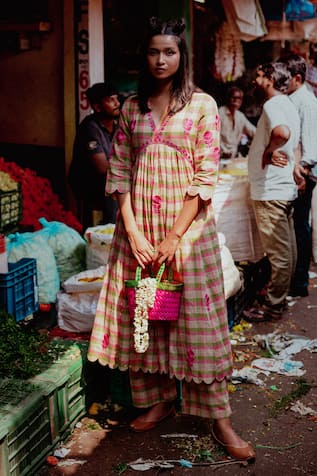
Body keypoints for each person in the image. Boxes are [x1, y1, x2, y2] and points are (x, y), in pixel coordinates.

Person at [88, 17, 255, 462]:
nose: (161, 60)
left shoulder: (202, 105)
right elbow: (120, 171)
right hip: (138, 228)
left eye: (170, 52)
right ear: (144, 57)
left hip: (189, 231)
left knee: (199, 324)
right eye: (153, 52)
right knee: (145, 315)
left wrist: (175, 235)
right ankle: (158, 401)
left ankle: (218, 418)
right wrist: (135, 231)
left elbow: (205, 175)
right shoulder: (130, 106)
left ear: (182, 57)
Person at [243, 62, 300, 323]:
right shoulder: (288, 103)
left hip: (270, 190)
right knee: (287, 249)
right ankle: (280, 298)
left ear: (269, 78)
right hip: (282, 187)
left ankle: (273, 305)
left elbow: (283, 133)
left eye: (259, 74)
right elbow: (291, 140)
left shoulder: (273, 104)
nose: (256, 79)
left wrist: (268, 151)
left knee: (279, 253)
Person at [277, 54, 317, 297]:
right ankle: (297, 279)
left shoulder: (306, 102)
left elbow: (310, 145)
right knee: (298, 227)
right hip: (299, 172)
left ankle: (299, 282)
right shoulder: (294, 98)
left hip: (304, 173)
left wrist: (301, 171)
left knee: (300, 227)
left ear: (298, 78)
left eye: (286, 78)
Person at [68, 82, 120, 230]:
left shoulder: (117, 125)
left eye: (117, 99)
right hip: (88, 183)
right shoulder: (90, 128)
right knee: (113, 185)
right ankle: (111, 232)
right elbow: (102, 167)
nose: (117, 103)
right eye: (111, 100)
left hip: (108, 179)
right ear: (97, 107)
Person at [219, 86, 256, 158]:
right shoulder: (220, 113)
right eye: (233, 97)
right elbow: (214, 137)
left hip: (233, 156)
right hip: (219, 155)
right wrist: (222, 151)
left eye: (239, 98)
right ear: (228, 98)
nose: (236, 101)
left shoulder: (240, 116)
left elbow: (253, 131)